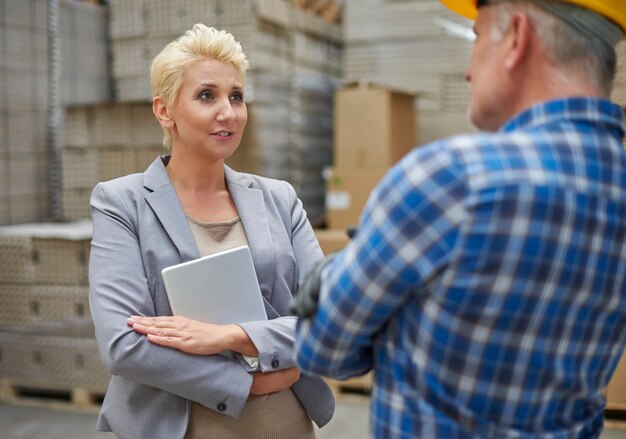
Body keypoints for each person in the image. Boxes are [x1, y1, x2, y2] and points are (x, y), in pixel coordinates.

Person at [293, 0, 626, 437]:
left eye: (476, 36)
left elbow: (323, 352)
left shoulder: (451, 179)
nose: (468, 71)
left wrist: (341, 272)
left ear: (516, 38)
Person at [88, 24, 334, 439]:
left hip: (284, 424)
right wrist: (247, 383)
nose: (229, 112)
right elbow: (123, 345)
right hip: (181, 427)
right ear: (164, 111)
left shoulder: (279, 199)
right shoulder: (120, 203)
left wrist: (231, 336)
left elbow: (329, 317)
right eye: (207, 95)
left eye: (236, 96)